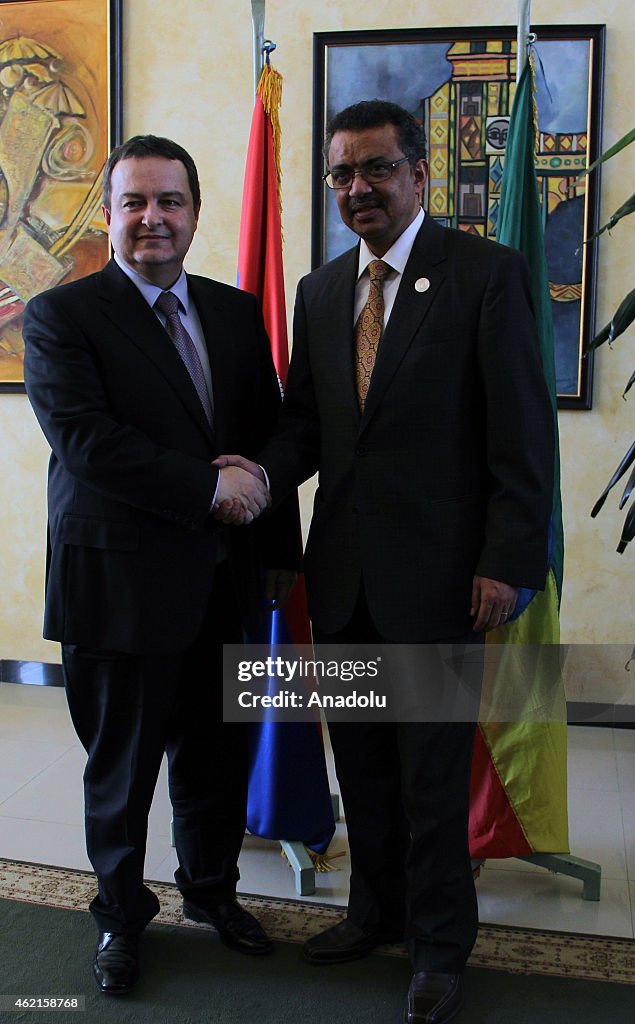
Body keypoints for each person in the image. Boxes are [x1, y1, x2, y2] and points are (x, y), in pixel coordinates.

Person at [215, 100, 555, 1024]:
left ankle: (442, 946)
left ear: (417, 175)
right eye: (341, 175)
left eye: (374, 169)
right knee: (363, 766)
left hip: (447, 585)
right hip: (347, 582)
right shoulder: (322, 291)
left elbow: (522, 437)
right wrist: (253, 471)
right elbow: (304, 428)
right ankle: (374, 914)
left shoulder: (486, 275)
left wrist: (507, 561)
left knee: (432, 780)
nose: (356, 188)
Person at [23, 135, 299, 996]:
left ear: (194, 211)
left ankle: (211, 894)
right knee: (122, 772)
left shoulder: (233, 310)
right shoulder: (61, 316)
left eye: (169, 201)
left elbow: (269, 433)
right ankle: (118, 919)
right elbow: (89, 444)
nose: (153, 218)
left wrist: (270, 530)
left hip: (225, 586)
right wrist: (208, 488)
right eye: (135, 201)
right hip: (117, 591)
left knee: (214, 763)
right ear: (109, 214)